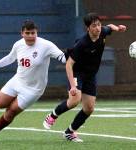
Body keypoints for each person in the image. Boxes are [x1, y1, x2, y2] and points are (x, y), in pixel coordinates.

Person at [43, 13, 127, 142]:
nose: (98, 28)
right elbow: (69, 64)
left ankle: (69, 132)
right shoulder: (82, 43)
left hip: (90, 75)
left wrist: (118, 28)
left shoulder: (103, 32)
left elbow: (109, 26)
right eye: (94, 26)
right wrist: (72, 85)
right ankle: (53, 115)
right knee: (74, 101)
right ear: (88, 28)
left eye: (99, 25)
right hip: (77, 74)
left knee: (89, 108)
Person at [0, 20, 66, 142]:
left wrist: (74, 54)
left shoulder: (47, 45)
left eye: (33, 33)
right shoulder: (18, 45)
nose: (30, 36)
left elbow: (64, 58)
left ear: (37, 32)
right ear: (22, 33)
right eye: (27, 33)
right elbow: (9, 58)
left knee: (11, 111)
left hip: (34, 89)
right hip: (17, 81)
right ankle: (11, 109)